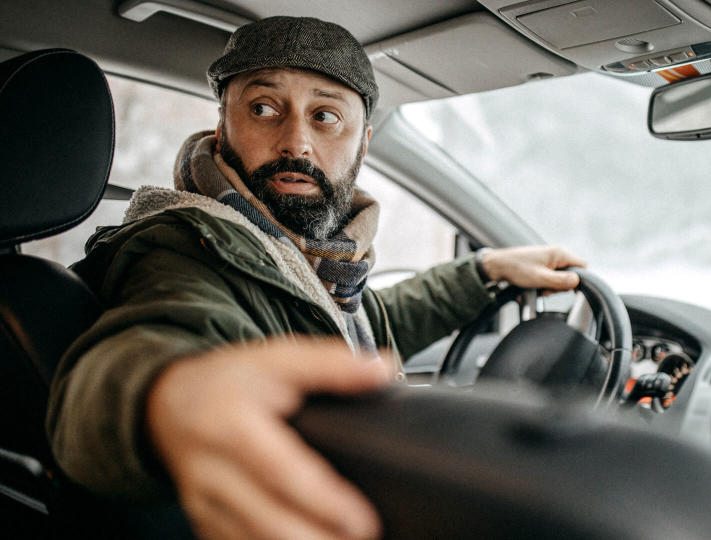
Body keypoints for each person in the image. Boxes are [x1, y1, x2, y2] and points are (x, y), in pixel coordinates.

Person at [46, 16, 585, 540]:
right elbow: (148, 340)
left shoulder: (314, 267)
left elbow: (366, 322)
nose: (295, 142)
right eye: (262, 108)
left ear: (363, 142)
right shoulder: (184, 245)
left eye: (326, 116)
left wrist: (484, 270)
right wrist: (164, 398)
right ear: (222, 125)